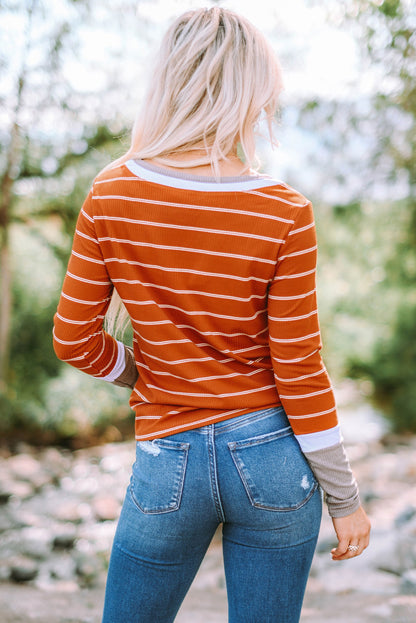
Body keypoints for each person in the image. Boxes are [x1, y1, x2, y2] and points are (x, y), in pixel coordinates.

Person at [53, 6, 371, 623]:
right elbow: (300, 370)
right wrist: (345, 497)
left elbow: (73, 340)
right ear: (252, 93)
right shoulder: (285, 212)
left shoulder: (110, 193)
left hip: (166, 459)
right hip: (274, 458)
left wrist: (141, 371)